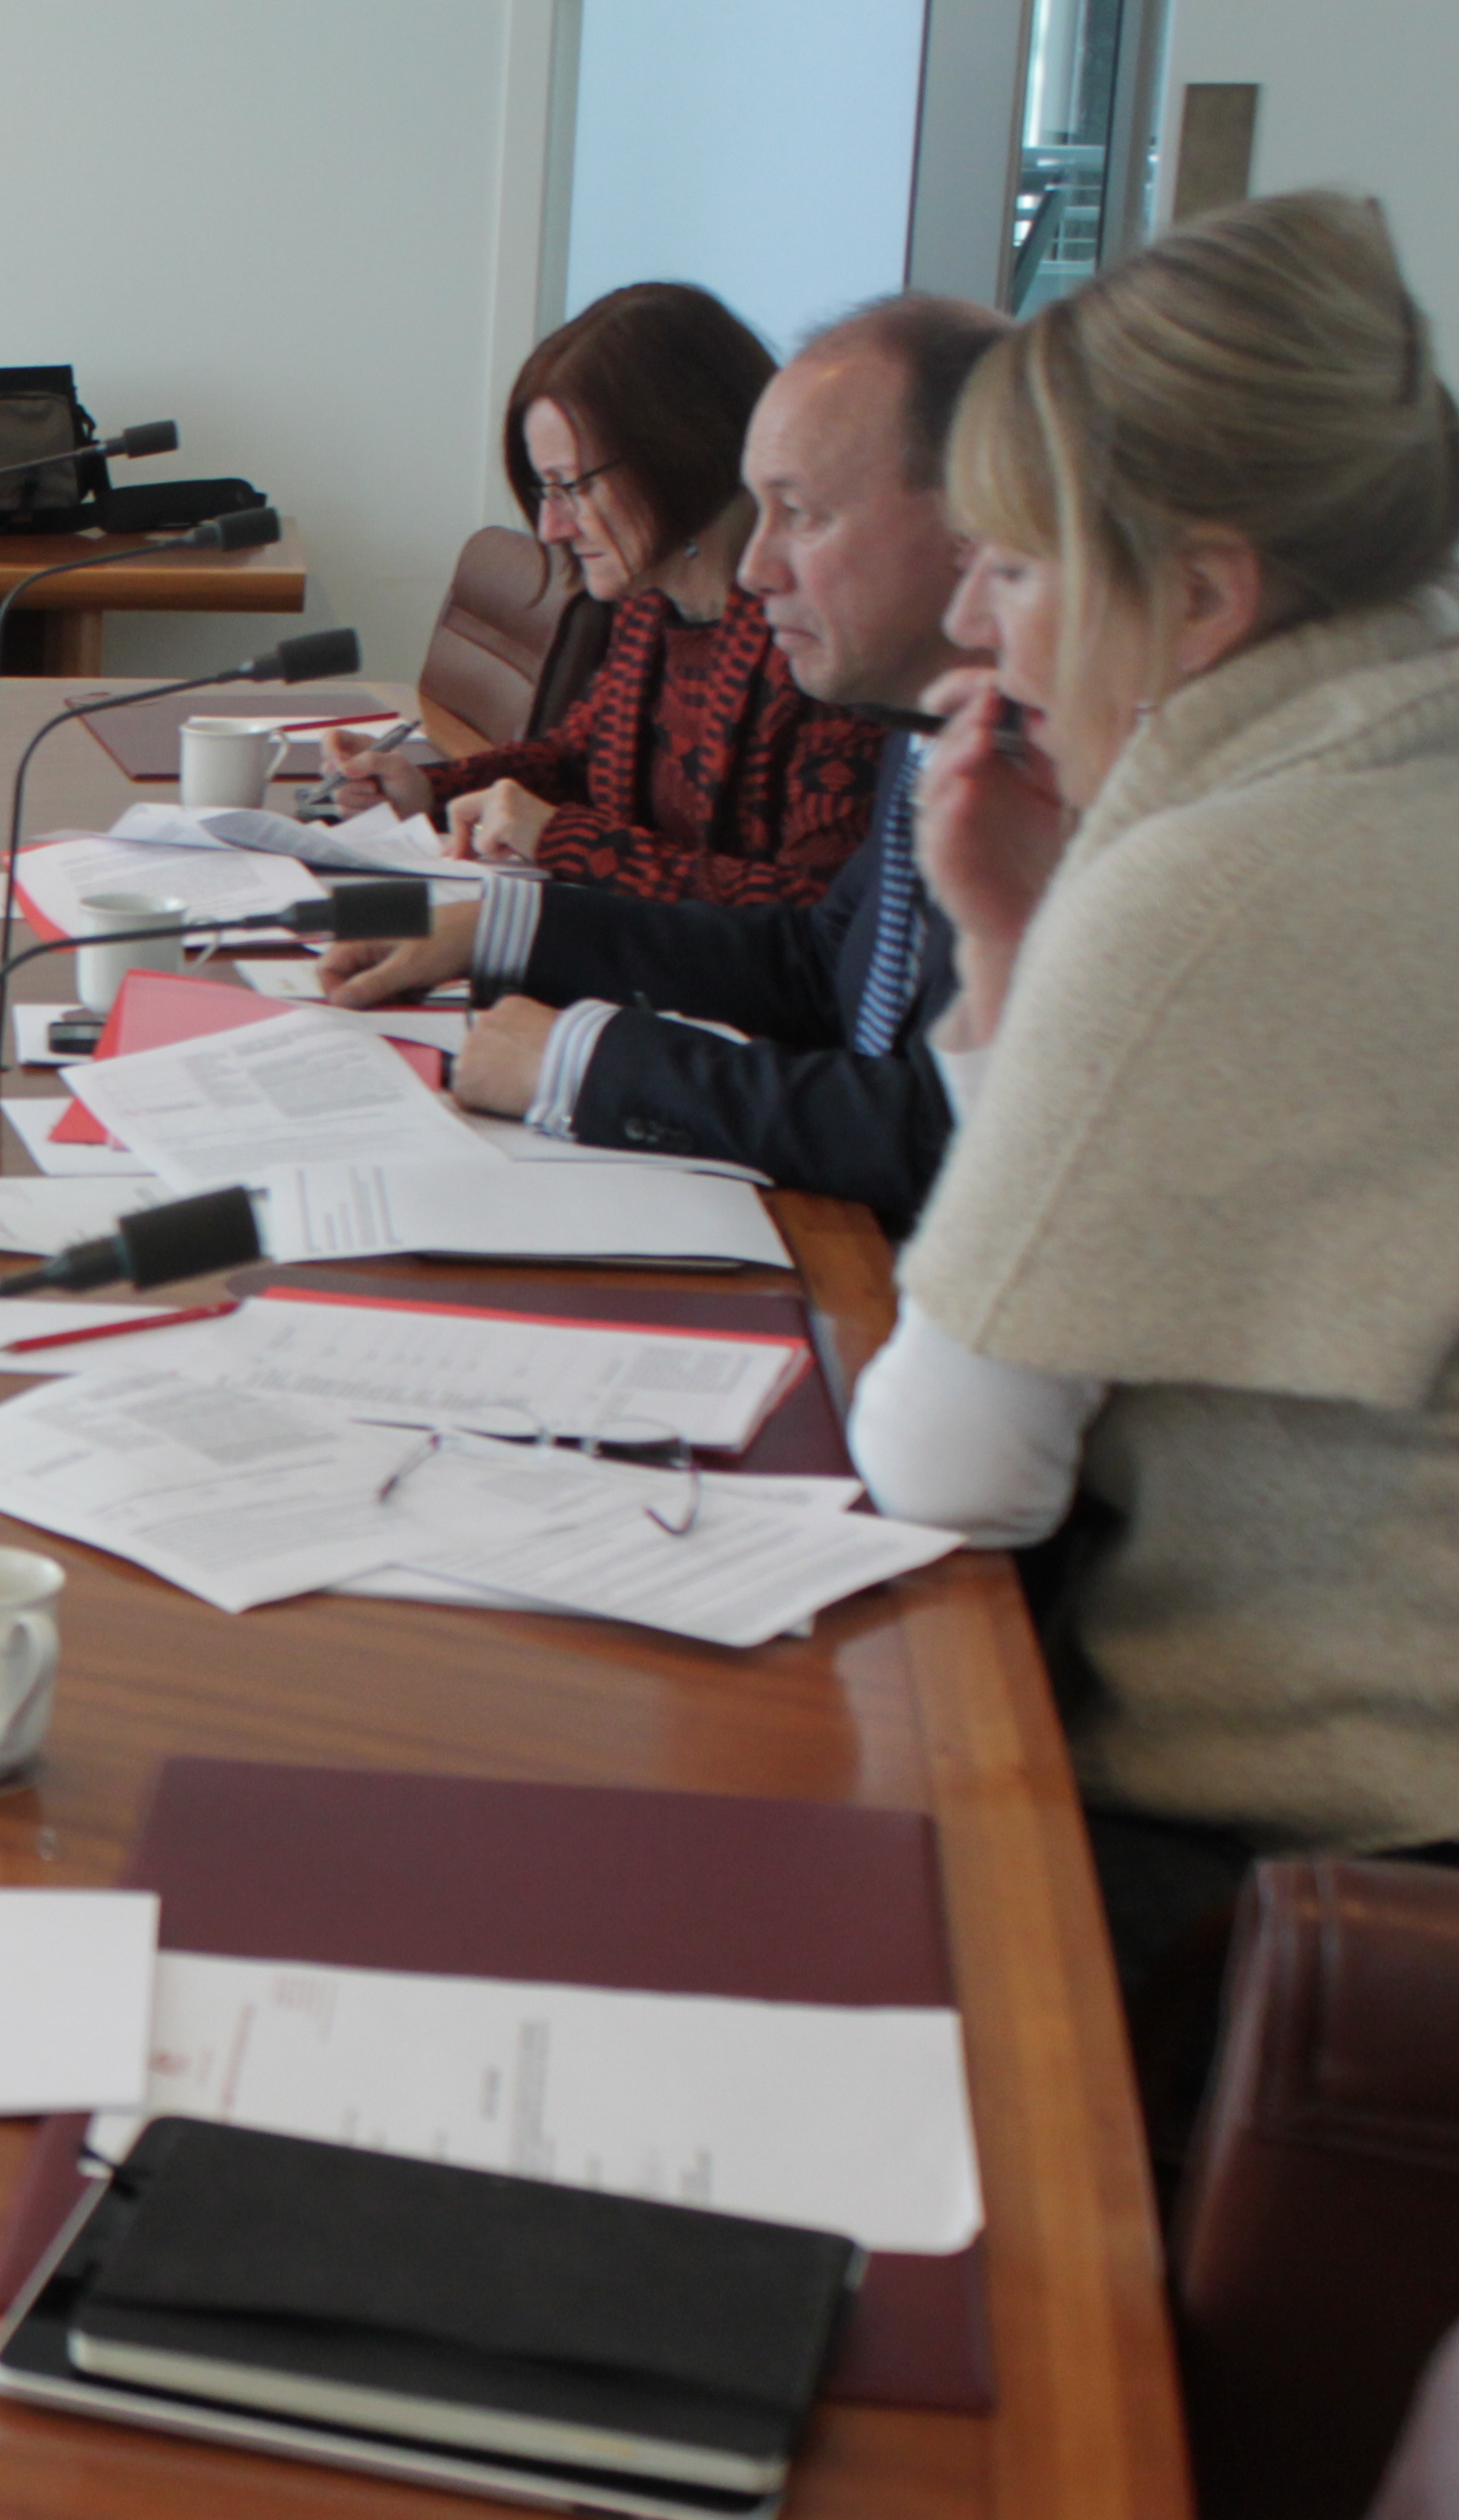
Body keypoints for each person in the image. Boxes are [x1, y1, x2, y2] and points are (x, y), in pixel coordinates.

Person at [848, 192, 1459, 2060]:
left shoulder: (1210, 875)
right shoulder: (1387, 751)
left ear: (1200, 593)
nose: (967, 622)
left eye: (1017, 569)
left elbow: (949, 1470)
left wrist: (1047, 954)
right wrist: (1016, 945)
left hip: (1299, 1889)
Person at [324, 295, 1003, 1228]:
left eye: (798, 513)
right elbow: (815, 962)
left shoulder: (1043, 772)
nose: (757, 570)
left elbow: (943, 1139)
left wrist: (582, 1059)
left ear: (975, 523)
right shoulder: (924, 730)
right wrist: (498, 926)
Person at [332, 282, 882, 910]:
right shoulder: (653, 605)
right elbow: (577, 759)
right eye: (546, 493)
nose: (552, 529)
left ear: (678, 450)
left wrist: (562, 839)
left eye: (573, 488)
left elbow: (813, 916)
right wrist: (426, 791)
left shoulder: (819, 645)